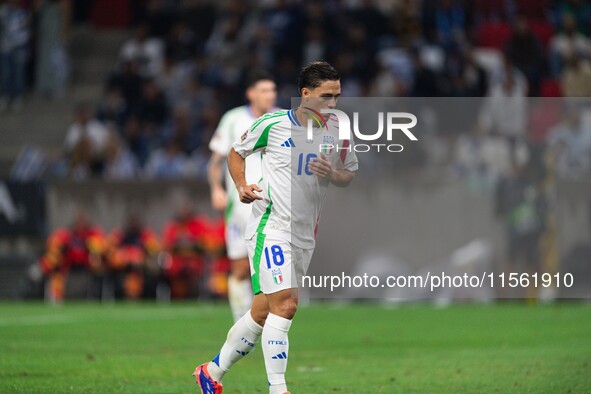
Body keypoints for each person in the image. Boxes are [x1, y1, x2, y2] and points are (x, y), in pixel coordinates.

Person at [194, 61, 358, 394]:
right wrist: (240, 186)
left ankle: (211, 372)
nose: (333, 104)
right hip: (271, 227)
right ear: (306, 94)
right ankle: (278, 389)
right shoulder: (272, 124)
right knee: (286, 304)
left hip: (305, 235)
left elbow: (348, 174)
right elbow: (235, 153)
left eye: (337, 96)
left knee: (261, 311)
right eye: (327, 96)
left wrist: (333, 175)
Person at [207, 70, 277, 322]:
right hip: (240, 205)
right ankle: (242, 320)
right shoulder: (233, 119)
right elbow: (215, 162)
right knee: (240, 268)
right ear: (251, 94)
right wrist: (217, 189)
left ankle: (260, 319)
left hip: (273, 205)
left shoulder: (280, 119)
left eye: (272, 90)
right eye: (264, 90)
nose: (270, 95)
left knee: (269, 265)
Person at [0, 0, 30, 111]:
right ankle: (5, 96)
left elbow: (26, 30)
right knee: (6, 73)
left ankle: (18, 96)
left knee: (19, 73)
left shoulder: (23, 13)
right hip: (5, 47)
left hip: (20, 47)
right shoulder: (3, 12)